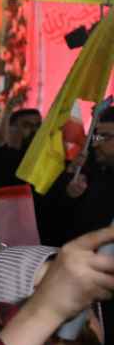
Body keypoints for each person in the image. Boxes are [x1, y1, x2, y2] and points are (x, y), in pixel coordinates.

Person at [42, 103, 114, 247]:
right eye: (96, 137)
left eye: (104, 137)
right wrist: (68, 194)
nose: (95, 144)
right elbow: (51, 225)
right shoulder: (84, 173)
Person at [0, 107, 40, 189]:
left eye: (38, 126)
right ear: (12, 128)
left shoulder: (44, 158)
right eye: (27, 125)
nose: (34, 130)